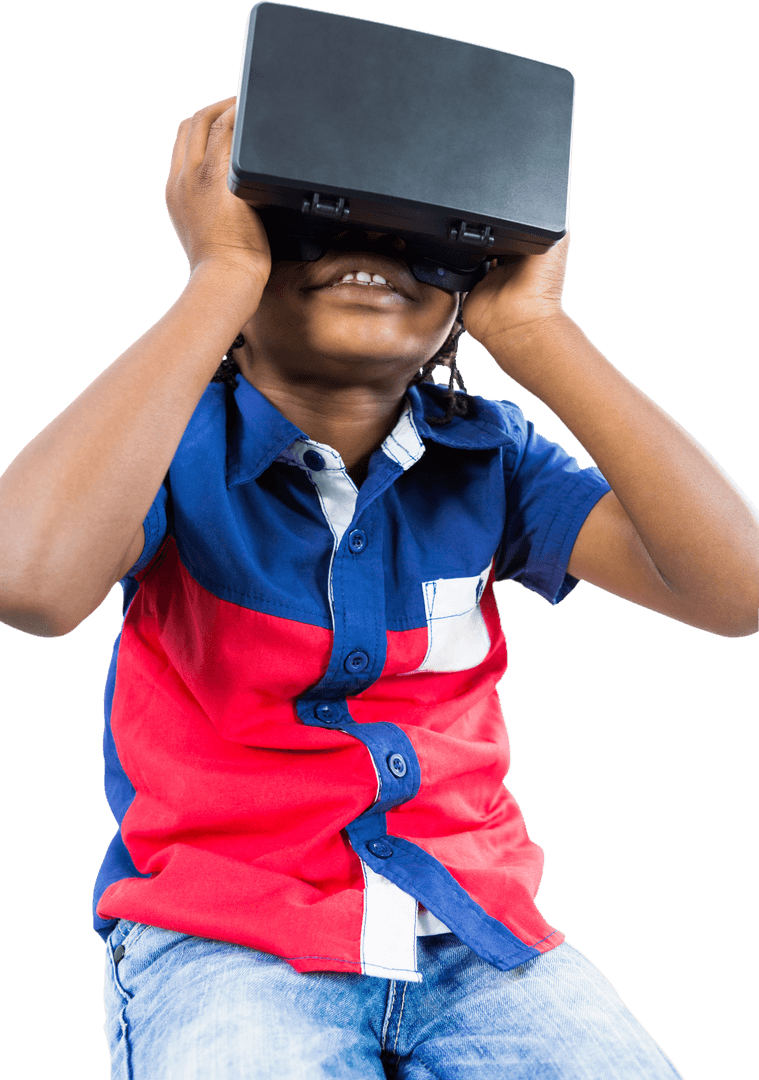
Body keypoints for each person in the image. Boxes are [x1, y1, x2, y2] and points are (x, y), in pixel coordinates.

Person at [0, 94, 757, 1079]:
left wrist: (536, 328)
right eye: (319, 219)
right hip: (229, 933)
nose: (375, 245)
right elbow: (29, 579)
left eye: (423, 236)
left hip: (474, 930)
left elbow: (735, 588)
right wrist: (216, 277)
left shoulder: (492, 461)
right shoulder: (168, 450)